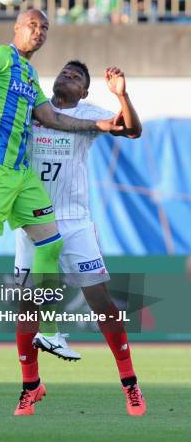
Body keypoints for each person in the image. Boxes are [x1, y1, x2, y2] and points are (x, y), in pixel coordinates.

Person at [0, 8, 124, 378]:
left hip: (21, 174)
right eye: (32, 25)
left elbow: (52, 117)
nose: (39, 32)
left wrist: (98, 124)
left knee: (51, 242)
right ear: (17, 28)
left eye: (44, 27)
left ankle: (48, 330)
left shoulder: (29, 75)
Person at [13, 61, 146, 417]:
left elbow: (132, 131)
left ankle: (130, 383)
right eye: (64, 73)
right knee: (28, 307)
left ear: (85, 92)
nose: (67, 77)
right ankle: (30, 387)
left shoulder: (90, 114)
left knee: (100, 301)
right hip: (33, 222)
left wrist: (122, 95)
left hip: (74, 222)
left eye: (77, 77)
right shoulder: (34, 109)